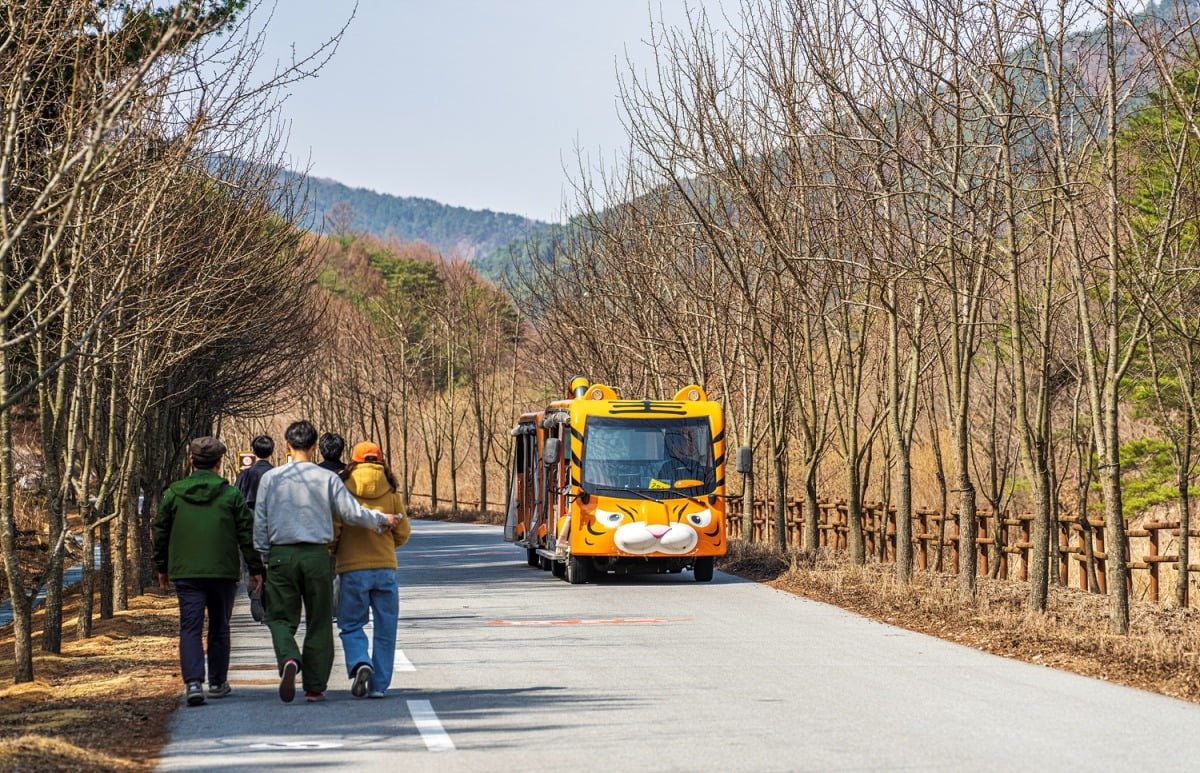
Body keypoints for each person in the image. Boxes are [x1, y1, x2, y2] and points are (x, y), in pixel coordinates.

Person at [253, 420, 404, 703]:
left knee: (279, 617)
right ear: (314, 446)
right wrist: (381, 519)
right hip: (316, 556)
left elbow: (260, 521)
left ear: (286, 445)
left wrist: (263, 557)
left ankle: (289, 658)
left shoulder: (271, 479)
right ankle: (314, 687)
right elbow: (352, 513)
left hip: (281, 555)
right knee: (319, 621)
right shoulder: (328, 479)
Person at [152, 436, 264, 707]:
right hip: (222, 572)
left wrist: (162, 566)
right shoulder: (231, 495)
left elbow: (160, 531)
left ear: (191, 461)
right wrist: (255, 568)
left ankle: (193, 683)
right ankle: (217, 681)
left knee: (190, 626)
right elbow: (246, 534)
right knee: (219, 626)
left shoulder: (174, 494)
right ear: (219, 463)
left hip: (186, 572)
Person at [333, 441, 411, 698]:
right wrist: (385, 545)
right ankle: (378, 686)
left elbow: (334, 531)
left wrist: (336, 550)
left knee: (350, 624)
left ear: (353, 461)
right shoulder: (391, 491)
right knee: (386, 627)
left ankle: (359, 662)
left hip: (352, 568)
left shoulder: (343, 489)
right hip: (385, 567)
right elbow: (403, 533)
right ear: (380, 460)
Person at [233, 434, 274, 622]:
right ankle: (267, 601)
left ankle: (254, 594)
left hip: (249, 524)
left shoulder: (245, 475)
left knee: (250, 563)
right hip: (272, 525)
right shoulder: (277, 475)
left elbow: (235, 501)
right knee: (270, 564)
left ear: (253, 451)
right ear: (272, 451)